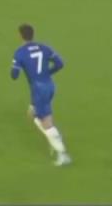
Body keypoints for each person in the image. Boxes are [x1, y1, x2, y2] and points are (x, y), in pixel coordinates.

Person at [10, 23, 71, 166]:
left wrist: (16, 66)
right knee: (33, 114)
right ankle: (53, 136)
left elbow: (14, 75)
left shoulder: (20, 53)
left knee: (44, 122)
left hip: (38, 88)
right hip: (49, 85)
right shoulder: (44, 48)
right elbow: (60, 63)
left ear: (20, 36)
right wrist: (47, 73)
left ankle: (62, 152)